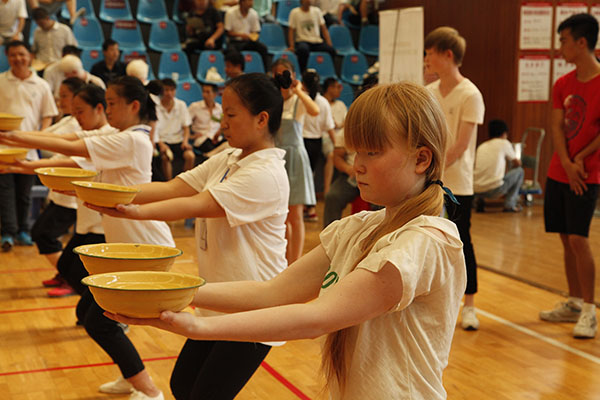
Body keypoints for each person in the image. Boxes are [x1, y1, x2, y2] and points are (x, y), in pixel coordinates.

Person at [104, 82, 467, 400]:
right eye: (356, 152)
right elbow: (271, 292)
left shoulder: (427, 241)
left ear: (421, 159)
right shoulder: (357, 227)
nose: (357, 165)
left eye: (372, 152)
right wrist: (165, 290)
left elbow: (317, 317)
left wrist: (198, 326)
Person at [86, 73, 290, 400]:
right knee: (183, 385)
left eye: (231, 114)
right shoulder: (228, 158)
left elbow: (198, 204)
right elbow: (174, 187)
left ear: (261, 119)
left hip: (254, 310)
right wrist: (109, 193)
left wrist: (131, 211)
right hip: (220, 301)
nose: (222, 123)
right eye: (222, 113)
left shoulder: (266, 174)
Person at [0, 76, 175, 400]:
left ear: (134, 106)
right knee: (100, 319)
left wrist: (12, 136)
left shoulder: (133, 140)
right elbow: (72, 145)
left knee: (100, 322)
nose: (107, 110)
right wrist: (23, 166)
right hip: (125, 249)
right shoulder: (121, 138)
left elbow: (71, 147)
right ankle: (133, 378)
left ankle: (149, 391)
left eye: (112, 103)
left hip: (144, 248)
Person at [1, 83, 110, 300]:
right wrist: (11, 137)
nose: (62, 102)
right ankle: (79, 289)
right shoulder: (82, 128)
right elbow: (56, 140)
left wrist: (19, 161)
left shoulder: (110, 137)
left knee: (78, 275)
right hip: (84, 211)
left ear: (99, 108)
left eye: (79, 109)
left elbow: (67, 153)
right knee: (70, 269)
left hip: (101, 219)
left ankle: (85, 293)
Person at [539, 13, 600, 339]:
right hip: (560, 171)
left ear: (581, 42)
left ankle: (590, 310)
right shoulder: (563, 83)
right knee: (565, 237)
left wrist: (580, 159)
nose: (559, 47)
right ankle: (574, 302)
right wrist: (565, 160)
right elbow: (556, 126)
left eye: (563, 41)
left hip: (588, 173)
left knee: (579, 238)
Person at [425, 26, 485, 330]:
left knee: (462, 241)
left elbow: (461, 145)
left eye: (430, 53)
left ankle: (469, 305)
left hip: (457, 183)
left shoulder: (470, 94)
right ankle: (432, 299)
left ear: (447, 55)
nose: (426, 59)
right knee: (427, 239)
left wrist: (432, 169)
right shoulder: (429, 93)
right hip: (429, 181)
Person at [0, 40, 58, 251]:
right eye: (13, 54)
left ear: (30, 56)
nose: (18, 58)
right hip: (3, 149)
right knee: (4, 192)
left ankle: (23, 231)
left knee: (24, 194)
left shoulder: (41, 85)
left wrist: (40, 137)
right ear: (7, 57)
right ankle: (8, 233)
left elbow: (48, 115)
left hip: (29, 150)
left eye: (22, 54)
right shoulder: (1, 81)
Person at [31, 76, 84, 296]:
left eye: (64, 96)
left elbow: (46, 141)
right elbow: (44, 136)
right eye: (59, 95)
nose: (60, 100)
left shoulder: (77, 124)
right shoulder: (67, 119)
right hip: (59, 193)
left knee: (43, 233)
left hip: (71, 196)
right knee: (46, 234)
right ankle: (65, 274)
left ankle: (70, 279)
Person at [271, 58, 319, 263]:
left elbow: (315, 111)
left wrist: (298, 90)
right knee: (280, 216)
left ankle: (295, 262)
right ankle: (283, 261)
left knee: (295, 216)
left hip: (295, 159)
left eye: (286, 74)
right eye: (279, 74)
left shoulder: (299, 100)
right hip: (276, 158)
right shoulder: (273, 101)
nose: (283, 78)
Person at [301, 70, 334, 222]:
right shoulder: (323, 102)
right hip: (316, 142)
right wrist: (336, 143)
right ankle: (308, 207)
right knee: (310, 175)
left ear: (303, 84)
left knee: (303, 176)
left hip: (302, 141)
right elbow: (329, 126)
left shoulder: (301, 99)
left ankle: (308, 207)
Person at [473, 119, 524, 213]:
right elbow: (518, 163)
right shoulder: (504, 143)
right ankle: (510, 205)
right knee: (520, 171)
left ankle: (479, 202)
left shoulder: (482, 146)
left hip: (476, 189)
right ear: (504, 133)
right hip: (495, 190)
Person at [155, 78, 194, 180]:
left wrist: (185, 142)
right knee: (166, 157)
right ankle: (169, 183)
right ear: (161, 91)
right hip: (162, 141)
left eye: (172, 90)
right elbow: (153, 130)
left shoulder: (181, 105)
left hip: (178, 141)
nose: (169, 93)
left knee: (190, 156)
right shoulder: (155, 106)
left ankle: (185, 182)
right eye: (166, 90)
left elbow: (186, 128)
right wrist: (161, 144)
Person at [287, 0, 336, 72]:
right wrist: (291, 46)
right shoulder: (294, 12)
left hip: (317, 41)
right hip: (302, 41)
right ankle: (302, 72)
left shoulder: (317, 11)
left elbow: (324, 29)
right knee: (303, 50)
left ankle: (328, 71)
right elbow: (291, 30)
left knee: (331, 51)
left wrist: (329, 44)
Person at [224, 0, 269, 70]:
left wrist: (252, 36)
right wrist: (241, 35)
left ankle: (265, 70)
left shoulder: (254, 13)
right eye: (249, 1)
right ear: (242, 2)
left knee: (263, 48)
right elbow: (228, 32)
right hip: (234, 41)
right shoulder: (230, 13)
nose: (251, 3)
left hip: (248, 41)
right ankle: (235, 71)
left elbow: (256, 31)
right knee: (232, 53)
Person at [322, 77, 347, 195]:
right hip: (325, 137)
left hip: (340, 136)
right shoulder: (321, 103)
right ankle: (327, 190)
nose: (340, 90)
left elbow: (346, 122)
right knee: (332, 155)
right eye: (337, 87)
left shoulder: (341, 104)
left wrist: (338, 125)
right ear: (329, 88)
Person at [188, 83, 224, 159]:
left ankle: (210, 155)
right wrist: (191, 136)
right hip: (202, 139)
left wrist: (219, 133)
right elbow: (184, 124)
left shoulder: (219, 108)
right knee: (219, 153)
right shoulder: (195, 106)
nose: (204, 95)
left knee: (230, 146)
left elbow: (223, 123)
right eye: (203, 92)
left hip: (216, 138)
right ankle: (212, 155)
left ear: (215, 94)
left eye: (207, 92)